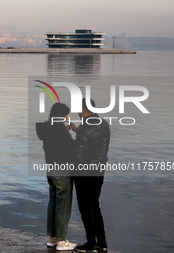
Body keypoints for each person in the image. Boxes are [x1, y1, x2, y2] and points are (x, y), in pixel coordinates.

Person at [68, 98, 110, 253]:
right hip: (99, 171)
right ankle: (103, 243)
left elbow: (77, 156)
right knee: (95, 206)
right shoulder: (104, 124)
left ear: (82, 109)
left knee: (86, 208)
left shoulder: (84, 129)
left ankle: (91, 243)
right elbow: (94, 141)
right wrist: (77, 131)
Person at [36, 103, 77, 251]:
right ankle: (62, 241)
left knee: (53, 202)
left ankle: (52, 238)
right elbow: (74, 148)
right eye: (66, 115)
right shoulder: (60, 131)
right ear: (62, 116)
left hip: (51, 169)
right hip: (62, 170)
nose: (67, 117)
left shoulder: (47, 129)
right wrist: (75, 130)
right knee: (63, 204)